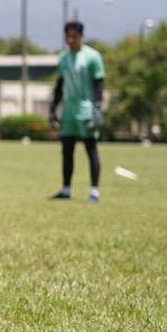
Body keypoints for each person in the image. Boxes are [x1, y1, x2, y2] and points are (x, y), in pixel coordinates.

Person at [48, 21, 105, 203]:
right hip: (69, 112)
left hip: (86, 110)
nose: (70, 40)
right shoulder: (63, 58)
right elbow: (60, 85)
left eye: (74, 36)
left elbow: (99, 86)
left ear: (81, 36)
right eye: (68, 37)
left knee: (91, 149)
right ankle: (66, 189)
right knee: (66, 150)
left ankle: (94, 191)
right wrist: (53, 108)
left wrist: (96, 111)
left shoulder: (92, 57)